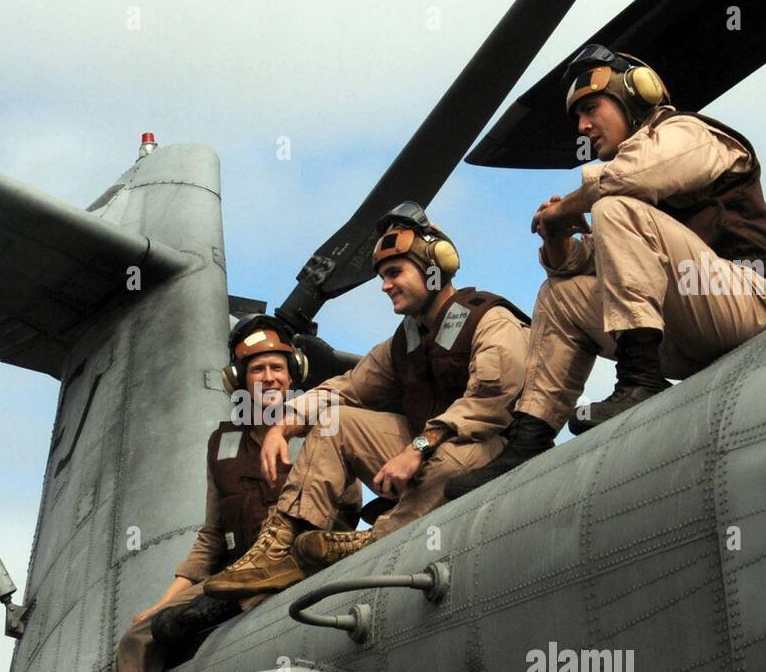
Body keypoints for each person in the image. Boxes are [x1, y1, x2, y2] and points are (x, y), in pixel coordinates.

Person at [57, 316, 358, 672]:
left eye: (277, 367)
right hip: (233, 573)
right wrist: (166, 599)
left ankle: (216, 606)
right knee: (137, 639)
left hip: (301, 563)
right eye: (258, 369)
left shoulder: (324, 429)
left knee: (226, 599)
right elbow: (211, 539)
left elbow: (346, 514)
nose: (269, 376)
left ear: (295, 373)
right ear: (238, 381)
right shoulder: (221, 444)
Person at [447, 44, 766, 496]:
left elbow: (633, 180)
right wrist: (556, 237)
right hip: (682, 329)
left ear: (636, 95)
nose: (583, 127)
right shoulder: (625, 194)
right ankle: (530, 437)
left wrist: (569, 204)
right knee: (560, 293)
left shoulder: (689, 133)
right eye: (577, 118)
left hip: (745, 305)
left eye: (590, 109)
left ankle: (639, 379)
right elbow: (587, 260)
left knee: (612, 206)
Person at [204, 203, 531, 600]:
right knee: (336, 421)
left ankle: (375, 538)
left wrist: (419, 446)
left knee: (452, 458)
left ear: (434, 267)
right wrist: (285, 423)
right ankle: (283, 548)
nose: (384, 285)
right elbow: (346, 388)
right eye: (381, 276)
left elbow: (491, 402)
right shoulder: (404, 341)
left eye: (394, 272)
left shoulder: (490, 320)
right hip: (425, 450)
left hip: (486, 450)